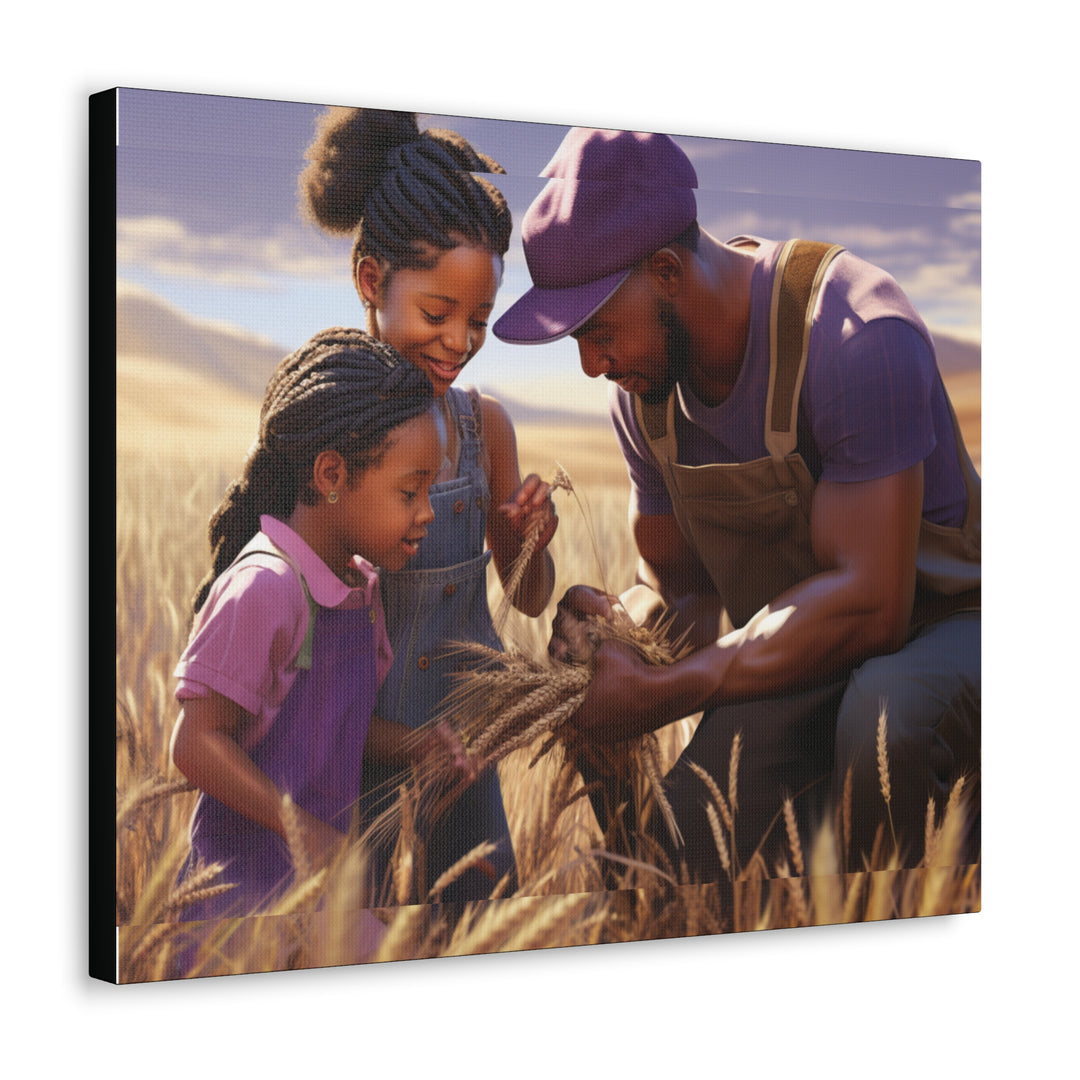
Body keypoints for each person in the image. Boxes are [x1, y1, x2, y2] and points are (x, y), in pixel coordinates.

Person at [493, 128, 980, 877]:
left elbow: (874, 608)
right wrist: (620, 638)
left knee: (888, 718)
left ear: (665, 271)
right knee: (676, 861)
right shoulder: (645, 393)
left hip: (940, 632)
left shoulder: (856, 335)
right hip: (793, 656)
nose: (592, 367)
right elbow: (682, 594)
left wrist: (659, 695)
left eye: (596, 332)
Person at [299, 109, 557, 900]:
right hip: (359, 740)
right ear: (372, 282)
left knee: (481, 911)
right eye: (437, 314)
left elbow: (529, 597)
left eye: (477, 321)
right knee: (356, 918)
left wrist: (525, 543)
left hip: (465, 739)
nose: (458, 340)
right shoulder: (329, 428)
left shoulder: (486, 427)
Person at [171, 328, 465, 952]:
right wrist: (301, 829)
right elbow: (196, 743)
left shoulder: (360, 591)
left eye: (430, 492)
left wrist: (415, 747)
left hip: (316, 902)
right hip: (238, 915)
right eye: (409, 492)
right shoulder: (265, 587)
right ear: (332, 473)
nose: (428, 512)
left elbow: (329, 726)